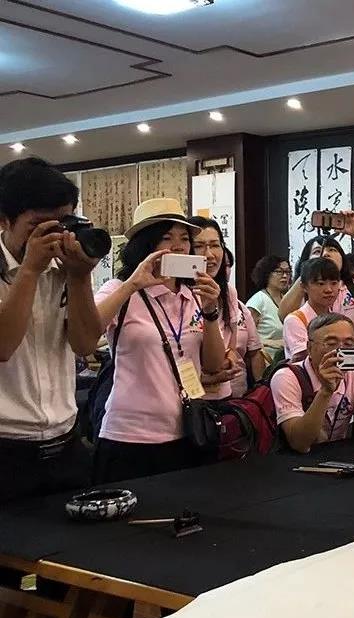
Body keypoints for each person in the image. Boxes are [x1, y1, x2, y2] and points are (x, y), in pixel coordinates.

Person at [93, 198, 226, 483]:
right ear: (145, 245)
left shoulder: (193, 295)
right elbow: (86, 335)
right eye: (166, 238)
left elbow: (213, 365)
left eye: (184, 239)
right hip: (129, 437)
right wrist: (132, 285)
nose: (178, 246)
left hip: (187, 432)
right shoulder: (119, 289)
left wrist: (210, 311)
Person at [0, 158, 102, 502]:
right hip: (7, 452)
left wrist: (80, 276)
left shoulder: (64, 268)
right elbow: (3, 346)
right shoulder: (31, 267)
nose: (53, 236)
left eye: (62, 223)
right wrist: (30, 270)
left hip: (66, 445)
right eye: (37, 226)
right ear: (4, 219)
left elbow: (85, 343)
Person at [271, 313, 354, 453]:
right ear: (309, 348)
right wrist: (325, 391)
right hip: (295, 460)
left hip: (339, 456)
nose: (340, 351)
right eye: (331, 344)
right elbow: (299, 444)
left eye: (348, 344)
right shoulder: (287, 377)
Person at [279, 212, 354, 346]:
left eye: (332, 250)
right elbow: (284, 315)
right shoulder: (304, 290)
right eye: (317, 252)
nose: (325, 254)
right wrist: (310, 271)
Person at [189, 219, 265, 398]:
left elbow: (231, 344)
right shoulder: (179, 294)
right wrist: (206, 378)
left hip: (223, 396)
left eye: (215, 245)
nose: (209, 254)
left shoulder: (229, 292)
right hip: (188, 398)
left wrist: (229, 358)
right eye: (199, 246)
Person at [282, 257, 340, 361]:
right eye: (321, 283)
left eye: (334, 283)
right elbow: (304, 358)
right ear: (304, 286)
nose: (329, 290)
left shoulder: (338, 319)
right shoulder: (295, 320)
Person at [246, 254, 290, 364]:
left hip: (286, 361)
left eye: (288, 272)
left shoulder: (287, 299)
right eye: (279, 271)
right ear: (266, 274)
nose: (285, 276)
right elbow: (245, 337)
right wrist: (271, 342)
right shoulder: (258, 300)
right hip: (265, 362)